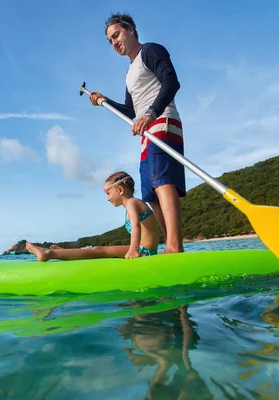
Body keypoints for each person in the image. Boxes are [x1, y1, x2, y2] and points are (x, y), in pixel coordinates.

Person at [88, 13, 186, 254]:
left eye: (117, 35)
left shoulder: (150, 51)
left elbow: (171, 82)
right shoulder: (129, 73)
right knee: (151, 193)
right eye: (110, 40)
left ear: (130, 29)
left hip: (162, 120)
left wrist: (152, 113)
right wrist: (105, 101)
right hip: (146, 130)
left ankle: (175, 246)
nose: (114, 42)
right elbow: (131, 110)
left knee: (162, 182)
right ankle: (169, 246)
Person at [26, 171, 159, 261]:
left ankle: (49, 253)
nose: (108, 199)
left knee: (98, 250)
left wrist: (133, 250)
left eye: (108, 193)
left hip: (144, 252)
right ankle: (65, 253)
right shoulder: (132, 205)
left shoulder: (133, 203)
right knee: (98, 250)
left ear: (120, 190)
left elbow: (136, 226)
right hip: (143, 250)